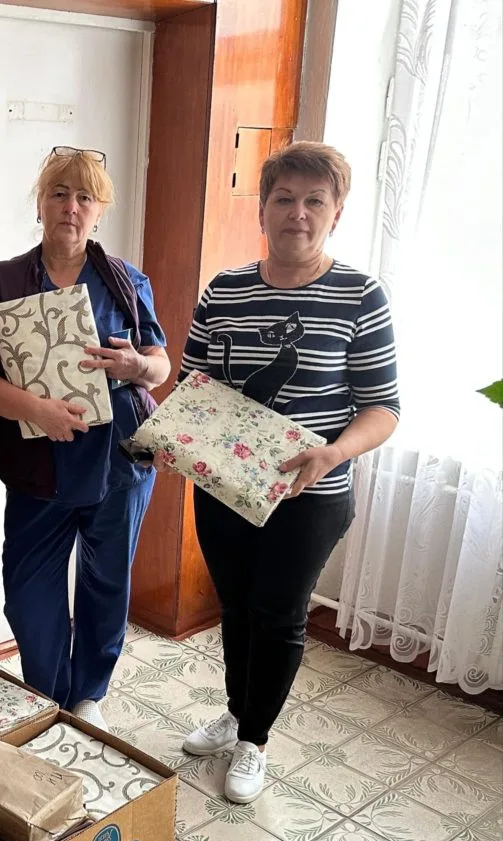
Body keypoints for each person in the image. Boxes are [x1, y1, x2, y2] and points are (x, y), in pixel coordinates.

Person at [166, 142, 399, 803]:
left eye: (313, 201)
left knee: (278, 612)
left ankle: (254, 741)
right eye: (283, 199)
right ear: (262, 210)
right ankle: (240, 713)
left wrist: (334, 451)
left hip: (311, 493)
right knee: (237, 606)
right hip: (227, 489)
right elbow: (194, 387)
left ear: (336, 213)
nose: (297, 213)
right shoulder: (226, 289)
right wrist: (170, 438)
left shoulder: (360, 294)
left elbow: (383, 407)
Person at [0, 147, 171, 728]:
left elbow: (160, 365)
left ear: (100, 209)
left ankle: (88, 698)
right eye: (58, 193)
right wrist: (36, 410)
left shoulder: (126, 280)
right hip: (37, 464)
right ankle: (47, 698)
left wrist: (135, 367)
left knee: (106, 583)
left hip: (119, 460)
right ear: (40, 203)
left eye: (84, 197)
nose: (70, 207)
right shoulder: (0, 282)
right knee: (29, 594)